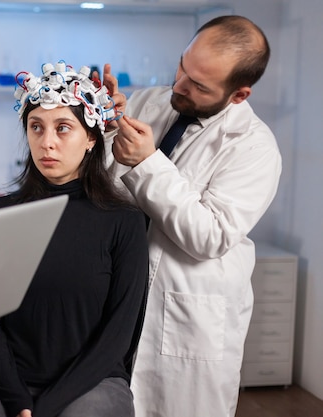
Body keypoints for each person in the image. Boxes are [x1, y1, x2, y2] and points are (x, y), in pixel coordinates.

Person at [0, 61, 149, 417]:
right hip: (7, 379)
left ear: (90, 139)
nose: (47, 142)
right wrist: (17, 399)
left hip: (93, 380)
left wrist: (47, 407)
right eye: (36, 127)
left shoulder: (125, 221)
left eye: (63, 128)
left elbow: (118, 336)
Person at [102, 15, 282, 417]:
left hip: (184, 316)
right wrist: (105, 127)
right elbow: (112, 193)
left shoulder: (254, 147)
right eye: (183, 66)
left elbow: (210, 236)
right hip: (121, 296)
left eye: (199, 85)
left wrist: (147, 161)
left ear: (239, 94)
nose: (179, 86)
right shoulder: (150, 102)